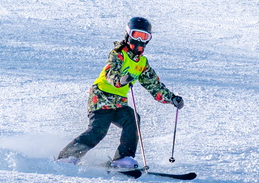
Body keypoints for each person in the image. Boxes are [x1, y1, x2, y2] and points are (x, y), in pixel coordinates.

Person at [57, 17, 184, 170]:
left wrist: (171, 98)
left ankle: (123, 158)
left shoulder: (142, 63)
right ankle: (67, 157)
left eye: (144, 36)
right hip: (101, 98)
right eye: (136, 34)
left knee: (132, 119)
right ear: (128, 35)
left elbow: (154, 86)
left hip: (119, 103)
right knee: (98, 130)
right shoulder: (118, 54)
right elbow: (111, 73)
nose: (139, 40)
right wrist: (121, 80)